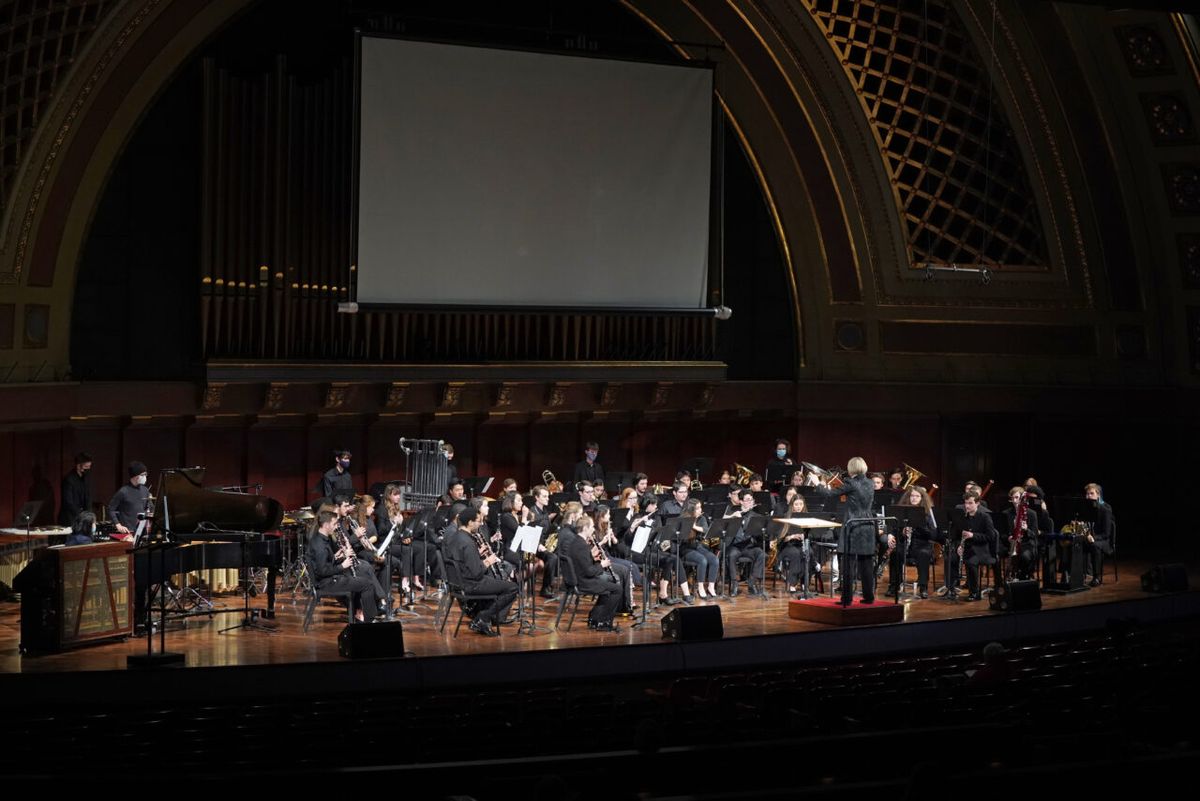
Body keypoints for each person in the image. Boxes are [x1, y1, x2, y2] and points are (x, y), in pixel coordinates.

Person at [815, 457, 891, 606]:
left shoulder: (850, 483)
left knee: (848, 564)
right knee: (866, 563)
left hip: (853, 525)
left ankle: (847, 599)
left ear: (851, 468)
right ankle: (869, 597)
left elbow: (829, 494)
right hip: (868, 524)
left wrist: (818, 483)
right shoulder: (870, 483)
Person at [443, 507, 517, 637]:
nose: (481, 523)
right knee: (512, 588)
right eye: (478, 521)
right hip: (471, 584)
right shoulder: (468, 542)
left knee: (498, 582)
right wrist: (488, 561)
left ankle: (488, 618)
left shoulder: (456, 537)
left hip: (459, 583)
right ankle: (483, 618)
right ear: (470, 522)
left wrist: (478, 554)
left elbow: (463, 560)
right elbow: (476, 573)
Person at [308, 509, 386, 622]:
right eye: (334, 524)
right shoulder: (320, 545)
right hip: (327, 583)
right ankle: (369, 620)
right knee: (367, 584)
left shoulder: (320, 539)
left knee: (362, 578)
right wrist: (342, 566)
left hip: (329, 579)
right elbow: (322, 571)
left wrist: (336, 557)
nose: (336, 527)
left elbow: (323, 564)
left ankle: (363, 615)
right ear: (326, 525)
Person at [557, 508, 622, 631]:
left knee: (609, 586)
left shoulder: (576, 542)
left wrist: (592, 556)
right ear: (585, 528)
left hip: (579, 579)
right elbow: (589, 571)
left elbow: (583, 563)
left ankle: (595, 618)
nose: (593, 529)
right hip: (583, 582)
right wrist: (601, 565)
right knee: (617, 589)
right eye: (592, 527)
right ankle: (603, 621)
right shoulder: (581, 545)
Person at [888, 485, 937, 598]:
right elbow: (894, 528)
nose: (914, 498)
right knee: (895, 553)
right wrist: (902, 532)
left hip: (921, 544)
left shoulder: (928, 512)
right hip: (905, 544)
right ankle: (894, 585)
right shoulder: (902, 511)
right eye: (912, 496)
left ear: (922, 498)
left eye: (917, 496)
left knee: (924, 554)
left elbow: (933, 534)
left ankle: (923, 587)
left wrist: (918, 526)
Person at [950, 493, 997, 601]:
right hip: (967, 548)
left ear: (977, 503)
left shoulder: (985, 516)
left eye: (970, 503)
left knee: (971, 562)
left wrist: (973, 535)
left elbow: (990, 536)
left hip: (981, 549)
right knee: (951, 558)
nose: (967, 506)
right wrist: (958, 547)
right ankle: (951, 588)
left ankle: (974, 592)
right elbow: (957, 536)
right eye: (966, 503)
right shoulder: (962, 517)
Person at [722, 489, 767, 597]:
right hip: (735, 547)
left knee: (762, 554)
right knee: (731, 555)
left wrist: (762, 531)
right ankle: (734, 584)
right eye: (747, 500)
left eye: (751, 500)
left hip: (749, 547)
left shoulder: (756, 516)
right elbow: (721, 521)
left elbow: (762, 534)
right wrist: (733, 517)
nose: (750, 502)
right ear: (741, 501)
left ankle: (752, 582)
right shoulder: (732, 511)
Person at [107, 461, 150, 540]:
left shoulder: (145, 490)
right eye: (143, 475)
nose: (145, 477)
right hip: (128, 533)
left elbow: (149, 507)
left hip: (142, 531)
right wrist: (118, 524)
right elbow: (111, 509)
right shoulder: (123, 491)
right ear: (135, 476)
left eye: (145, 474)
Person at [1082, 482, 1115, 587]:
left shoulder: (1105, 509)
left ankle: (1096, 577)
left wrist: (1094, 538)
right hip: (1090, 538)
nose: (1088, 496)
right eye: (1087, 494)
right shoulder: (1085, 509)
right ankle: (1079, 574)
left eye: (1091, 493)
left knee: (1094, 545)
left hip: (1105, 541)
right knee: (1075, 542)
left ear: (1098, 495)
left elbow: (1106, 533)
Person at [59, 452, 93, 526]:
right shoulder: (69, 480)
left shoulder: (85, 478)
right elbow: (68, 502)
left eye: (89, 466)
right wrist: (81, 515)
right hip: (70, 519)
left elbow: (88, 498)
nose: (88, 469)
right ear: (78, 466)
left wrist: (89, 516)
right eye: (86, 466)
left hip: (82, 518)